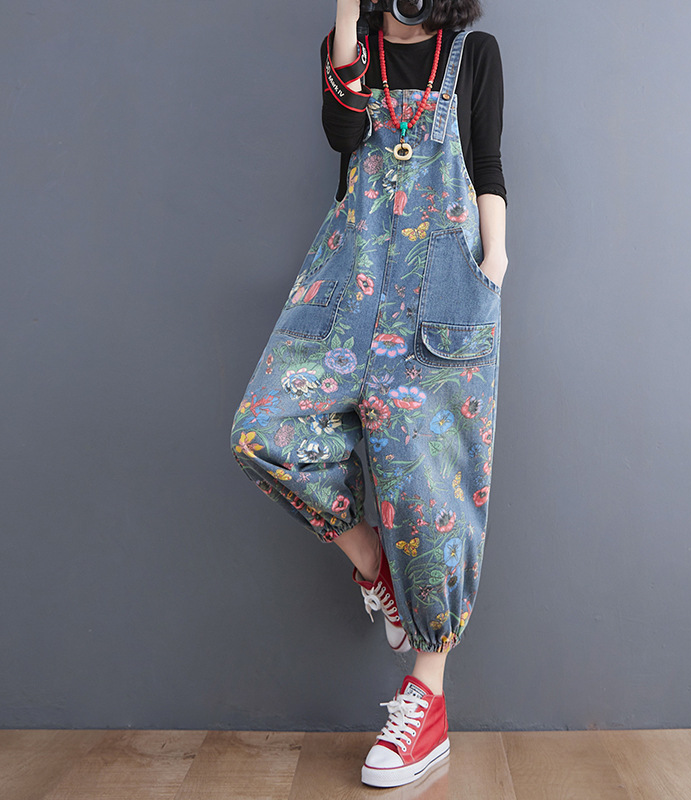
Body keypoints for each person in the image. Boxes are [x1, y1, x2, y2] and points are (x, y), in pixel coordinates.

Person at [230, 0, 507, 787]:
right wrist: (349, 17)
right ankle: (373, 565)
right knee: (262, 432)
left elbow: (488, 165)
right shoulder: (348, 50)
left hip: (442, 293)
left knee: (432, 493)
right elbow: (342, 135)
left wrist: (494, 266)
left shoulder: (474, 53)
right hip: (346, 288)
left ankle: (428, 700)